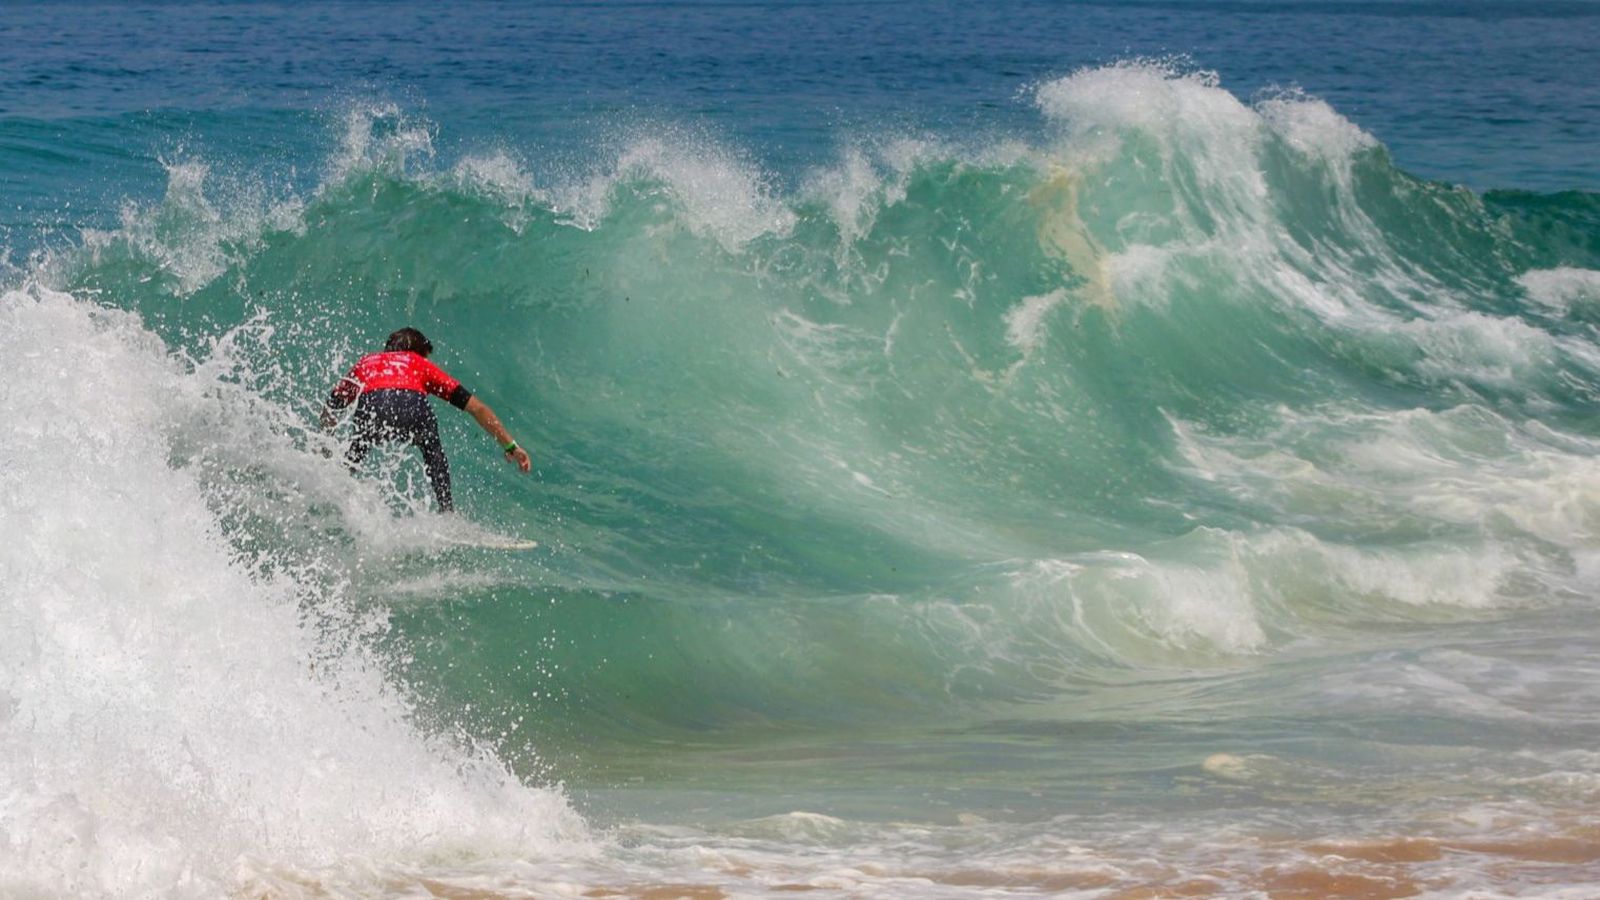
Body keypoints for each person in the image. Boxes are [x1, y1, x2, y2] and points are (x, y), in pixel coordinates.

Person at [320, 327, 531, 511]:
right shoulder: (418, 362)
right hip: (411, 406)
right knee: (432, 449)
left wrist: (325, 442)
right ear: (418, 352)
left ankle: (335, 492)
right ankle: (447, 512)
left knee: (359, 445)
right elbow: (477, 408)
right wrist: (511, 446)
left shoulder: (367, 361)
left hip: (372, 405)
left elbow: (331, 407)